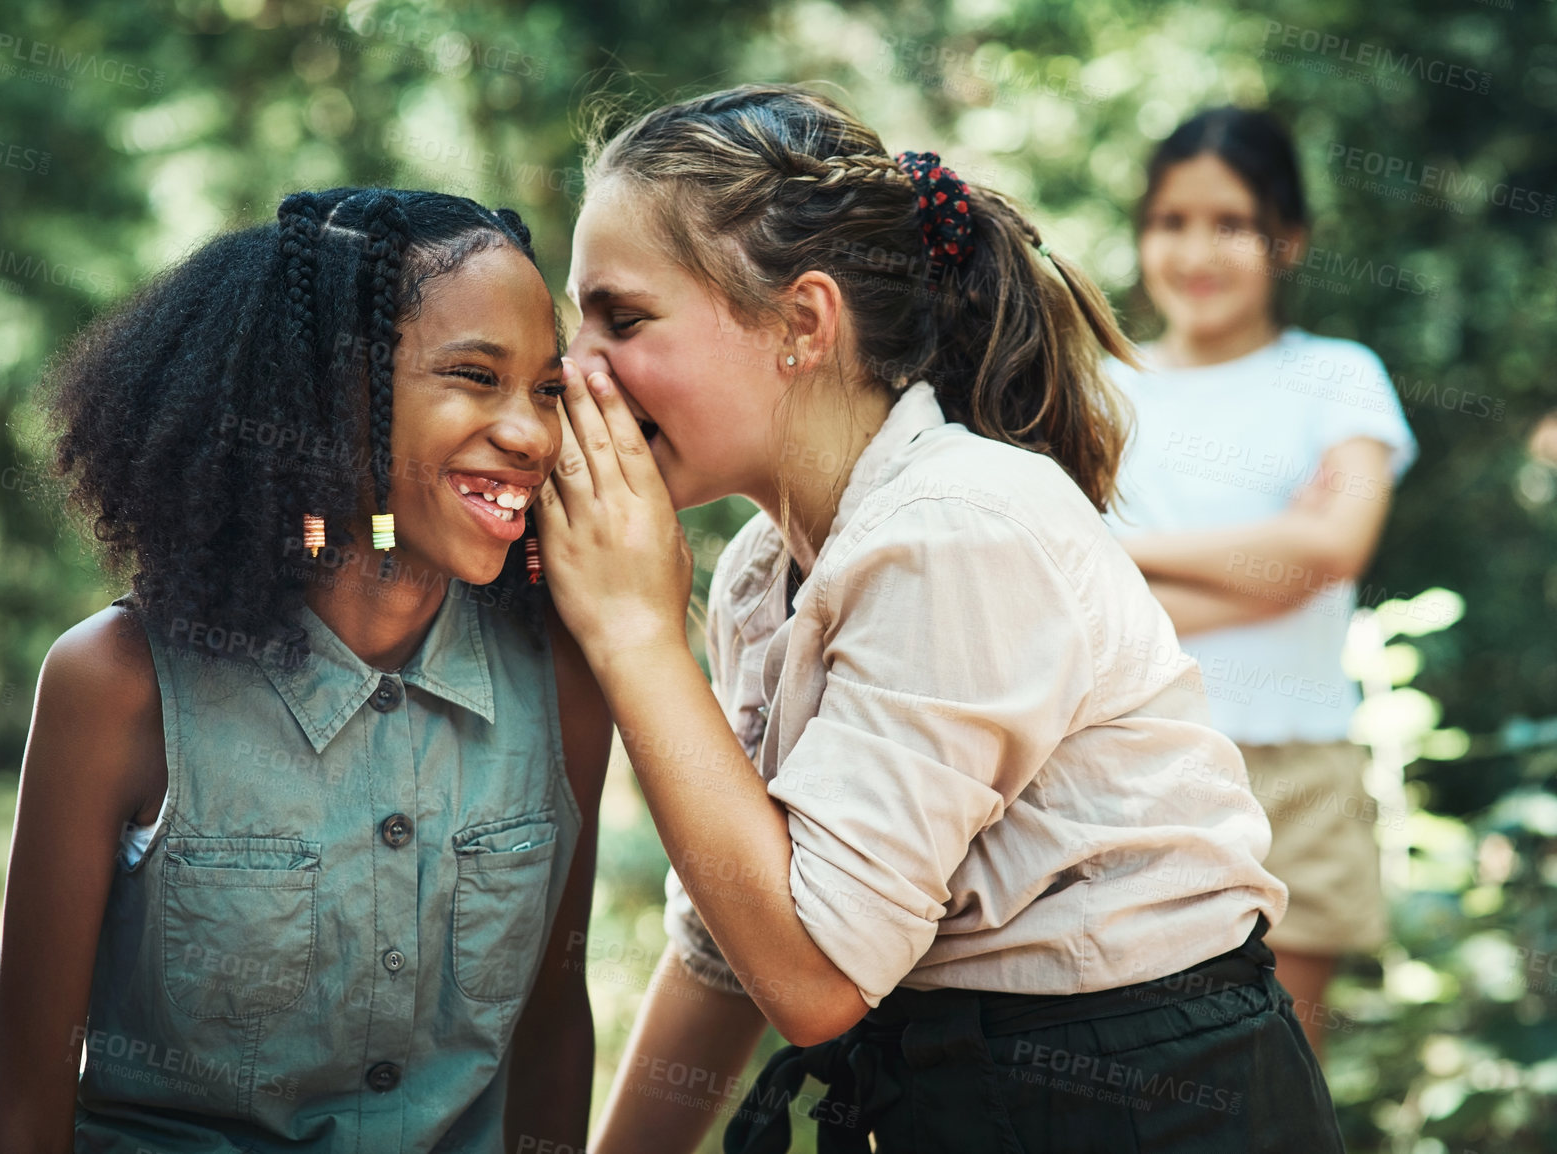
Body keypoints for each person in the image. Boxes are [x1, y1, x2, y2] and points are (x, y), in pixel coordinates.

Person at [536, 84, 1340, 1152]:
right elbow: (731, 944)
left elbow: (813, 973)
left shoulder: (959, 525)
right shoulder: (763, 569)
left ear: (801, 322)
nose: (573, 368)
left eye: (620, 317)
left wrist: (635, 632)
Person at [0, 188, 612, 1152]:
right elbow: (25, 1106)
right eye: (476, 376)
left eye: (547, 389)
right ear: (326, 396)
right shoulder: (118, 686)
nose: (531, 433)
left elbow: (553, 1027)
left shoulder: (564, 675)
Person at [1103, 106, 1419, 1056]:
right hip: (1137, 769)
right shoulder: (1099, 389)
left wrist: (1131, 556)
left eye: (1231, 223)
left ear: (1288, 239)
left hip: (1300, 773)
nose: (1197, 250)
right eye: (1172, 220)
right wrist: (1279, 562)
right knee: (1140, 1081)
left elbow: (1339, 546)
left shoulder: (1337, 378)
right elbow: (1081, 601)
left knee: (1279, 1080)